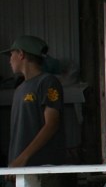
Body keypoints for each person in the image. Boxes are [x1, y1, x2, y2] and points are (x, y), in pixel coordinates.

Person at [4, 35, 66, 169]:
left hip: (41, 168)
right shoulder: (19, 89)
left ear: (21, 54)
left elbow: (52, 124)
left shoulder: (48, 82)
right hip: (20, 168)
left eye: (11, 54)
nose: (10, 60)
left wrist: (23, 158)